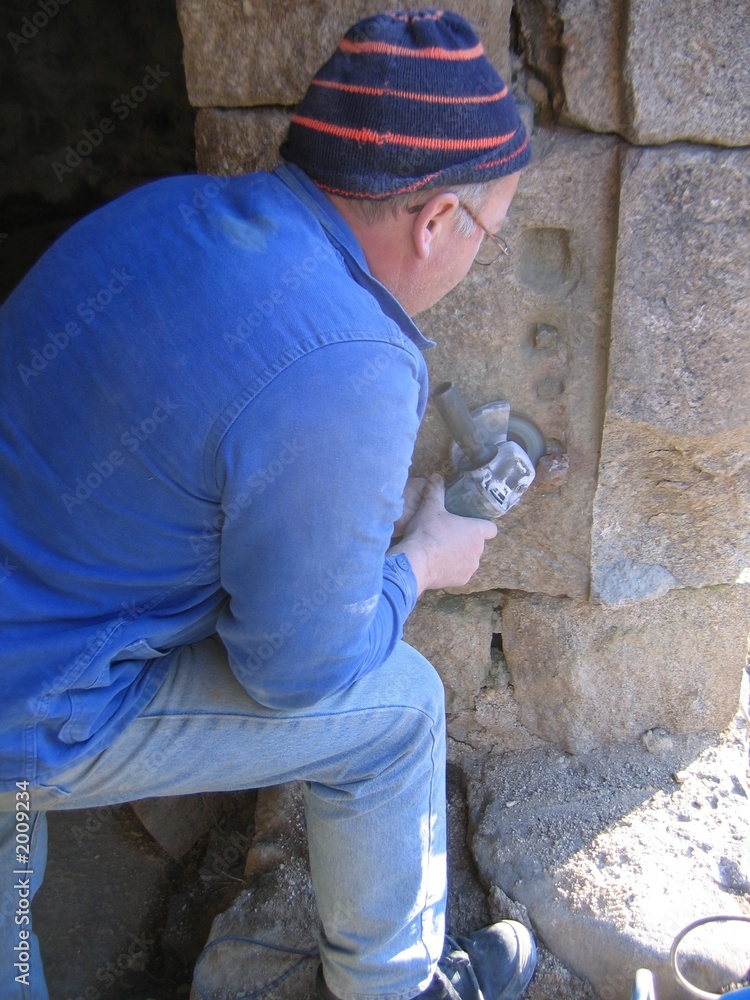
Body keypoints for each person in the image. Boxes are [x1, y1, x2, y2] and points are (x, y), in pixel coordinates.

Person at [0, 8, 536, 999]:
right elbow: (299, 671)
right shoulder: (354, 358)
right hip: (28, 700)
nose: (479, 256)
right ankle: (396, 986)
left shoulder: (167, 211)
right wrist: (421, 556)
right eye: (490, 232)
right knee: (398, 709)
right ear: (436, 221)